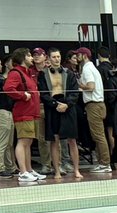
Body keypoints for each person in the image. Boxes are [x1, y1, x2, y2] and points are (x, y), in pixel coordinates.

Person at [37, 49, 82, 180]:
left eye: (58, 56)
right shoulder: (43, 74)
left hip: (68, 106)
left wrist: (67, 104)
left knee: (72, 140)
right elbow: (43, 94)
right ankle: (57, 170)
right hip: (53, 107)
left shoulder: (69, 73)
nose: (57, 59)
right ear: (49, 59)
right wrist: (55, 104)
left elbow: (75, 92)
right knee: (54, 140)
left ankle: (76, 170)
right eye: (54, 57)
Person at [2, 49, 43, 184]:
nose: (32, 58)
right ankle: (23, 172)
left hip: (31, 112)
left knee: (28, 142)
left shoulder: (28, 73)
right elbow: (8, 88)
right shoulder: (16, 72)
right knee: (23, 141)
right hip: (23, 112)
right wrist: (23, 95)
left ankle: (29, 170)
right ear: (22, 57)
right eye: (29, 55)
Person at [74, 47, 110, 173]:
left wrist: (78, 84)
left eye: (78, 55)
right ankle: (103, 162)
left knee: (98, 135)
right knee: (99, 134)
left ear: (84, 55)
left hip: (93, 104)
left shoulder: (87, 69)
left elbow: (90, 86)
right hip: (99, 103)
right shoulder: (92, 68)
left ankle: (105, 163)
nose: (77, 57)